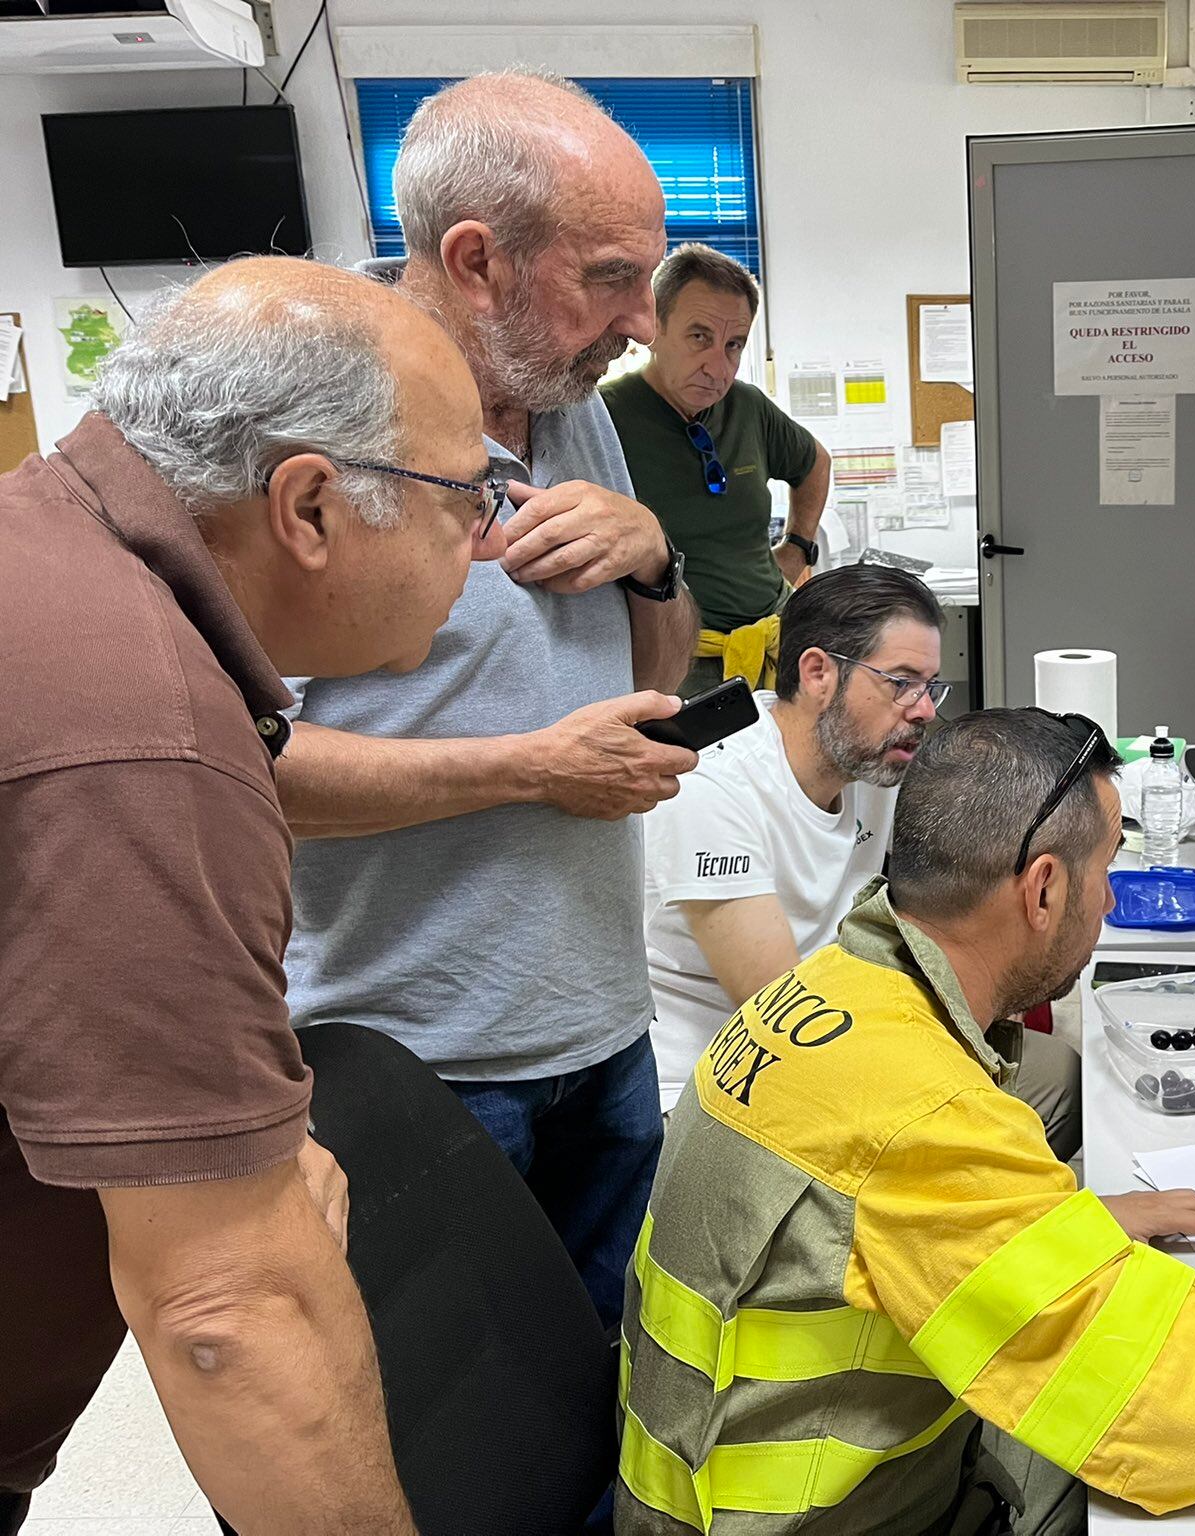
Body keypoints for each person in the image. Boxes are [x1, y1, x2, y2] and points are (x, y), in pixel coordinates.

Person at [0, 255, 504, 1534]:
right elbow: (226, 1310)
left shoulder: (47, 554)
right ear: (311, 507)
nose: (486, 538)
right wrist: (248, 1216)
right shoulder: (139, 726)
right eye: (466, 495)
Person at [617, 710, 1195, 1534]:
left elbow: (865, 1225)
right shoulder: (924, 1114)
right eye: (1108, 870)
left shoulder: (835, 986)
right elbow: (1192, 1422)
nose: (1108, 900)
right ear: (1045, 888)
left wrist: (1067, 1225)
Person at [276, 70, 699, 1333]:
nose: (643, 320)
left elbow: (653, 680)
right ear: (475, 261)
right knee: (462, 1440)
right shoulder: (311, 431)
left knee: (606, 1401)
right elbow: (248, 769)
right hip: (415, 1060)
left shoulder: (577, 409)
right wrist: (530, 768)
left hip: (600, 1026)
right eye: (611, 277)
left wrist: (655, 556)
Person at [641, 566, 1082, 1150]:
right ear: (819, 672)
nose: (924, 710)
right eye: (901, 682)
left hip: (837, 1037)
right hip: (732, 1090)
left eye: (930, 685)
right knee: (989, 1129)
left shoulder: (870, 759)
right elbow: (783, 1010)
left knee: (1061, 1077)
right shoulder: (714, 787)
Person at [601, 242, 830, 697]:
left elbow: (814, 462)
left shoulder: (746, 406)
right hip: (679, 665)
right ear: (654, 327)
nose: (718, 367)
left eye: (734, 345)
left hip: (773, 641)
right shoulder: (605, 417)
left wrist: (799, 546)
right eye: (699, 337)